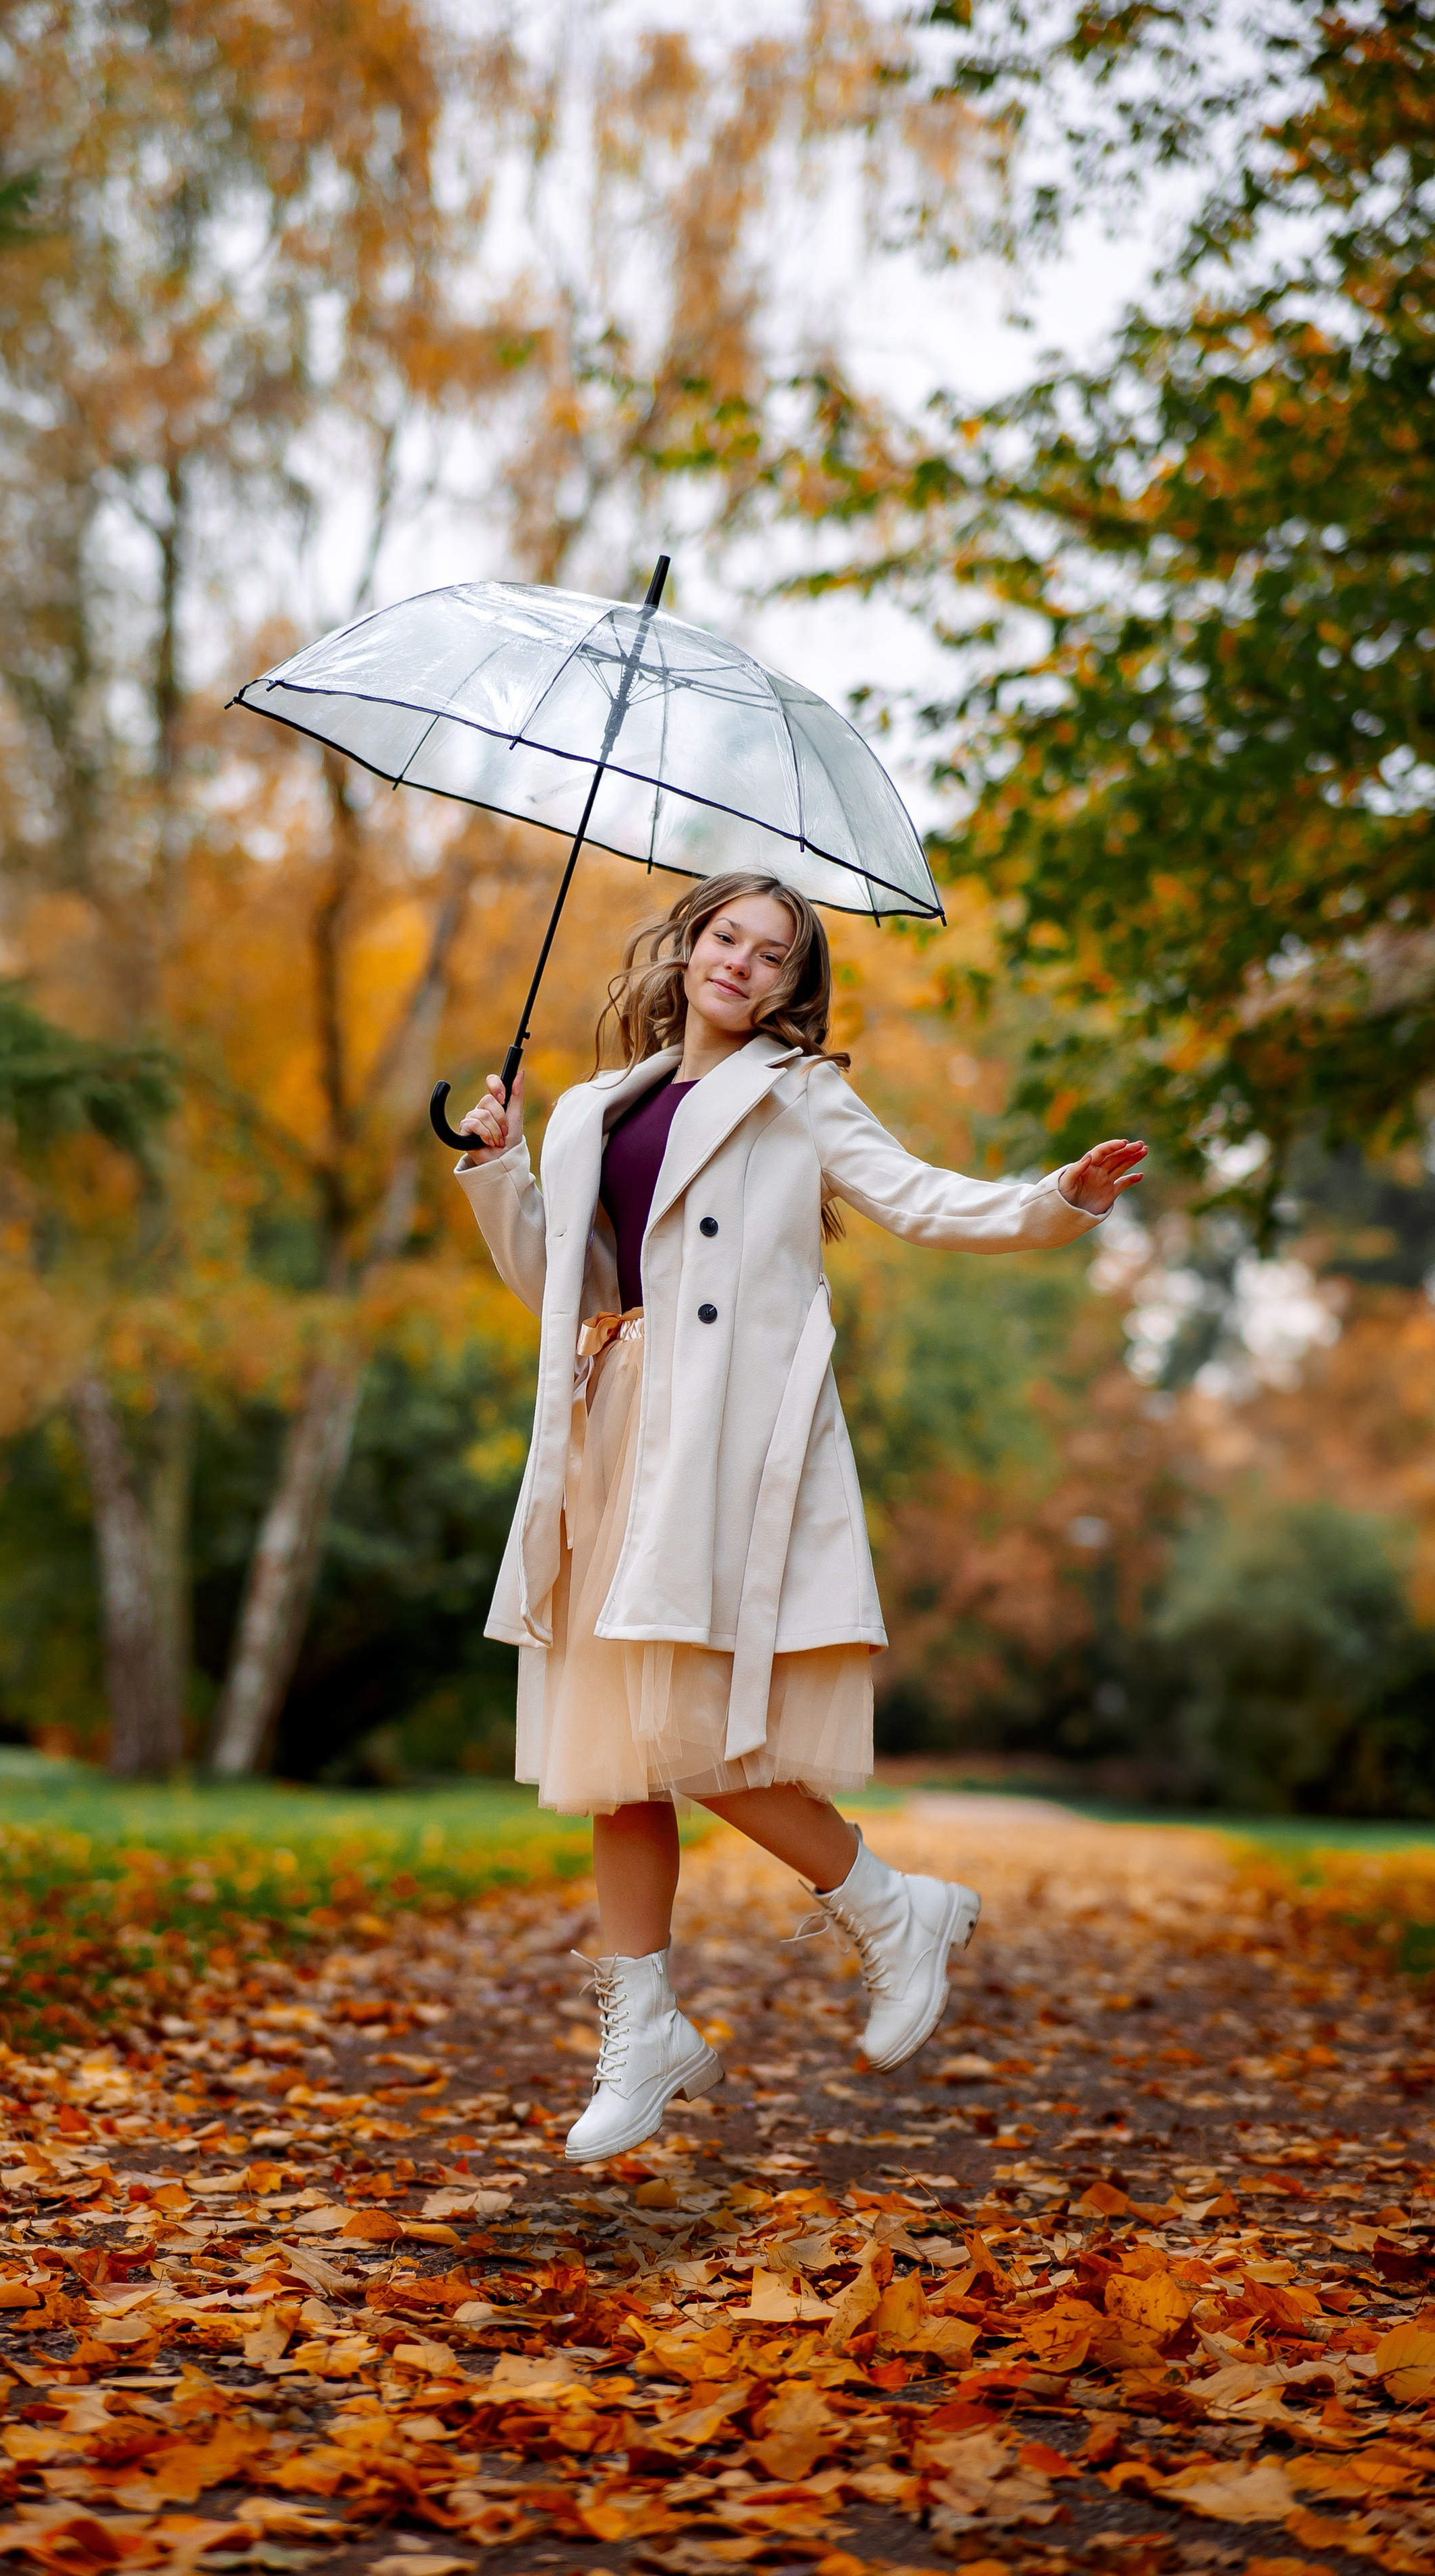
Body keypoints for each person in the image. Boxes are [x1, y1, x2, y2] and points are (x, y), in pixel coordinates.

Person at [455, 870, 1145, 2163]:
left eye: (773, 955)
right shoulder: (595, 1105)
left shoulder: (799, 1094)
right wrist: (498, 1171)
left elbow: (924, 1199)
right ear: (687, 947)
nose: (742, 964)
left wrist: (1060, 1199)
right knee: (616, 1744)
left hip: (716, 1438)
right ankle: (650, 2020)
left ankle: (887, 1908)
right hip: (610, 1428)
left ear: (792, 984)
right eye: (727, 937)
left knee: (686, 1723)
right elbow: (564, 1283)